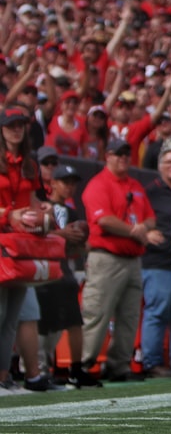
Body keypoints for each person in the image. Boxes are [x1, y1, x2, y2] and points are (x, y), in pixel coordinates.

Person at [80, 138, 163, 382]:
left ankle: (119, 365)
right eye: (118, 154)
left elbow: (150, 218)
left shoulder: (135, 185)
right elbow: (103, 220)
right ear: (107, 156)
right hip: (106, 258)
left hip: (133, 259)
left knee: (129, 316)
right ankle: (84, 365)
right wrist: (135, 231)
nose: (123, 158)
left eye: (127, 154)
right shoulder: (98, 184)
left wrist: (140, 229)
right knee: (97, 313)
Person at [34, 163, 100, 388]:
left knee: (73, 322)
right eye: (65, 182)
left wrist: (81, 245)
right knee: (43, 325)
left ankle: (75, 368)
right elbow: (34, 235)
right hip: (43, 269)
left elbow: (75, 248)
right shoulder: (41, 207)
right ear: (52, 183)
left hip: (64, 269)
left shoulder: (71, 212)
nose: (70, 187)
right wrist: (62, 235)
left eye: (73, 184)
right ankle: (38, 370)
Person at [0, 108, 52, 394]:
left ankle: (4, 376)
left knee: (12, 316)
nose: (16, 130)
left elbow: (31, 200)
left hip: (19, 244)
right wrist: (9, 215)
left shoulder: (29, 164)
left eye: (20, 125)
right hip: (2, 239)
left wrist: (40, 209)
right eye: (10, 125)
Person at [140, 141, 171, 378]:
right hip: (159, 261)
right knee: (157, 312)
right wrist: (144, 233)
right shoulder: (150, 191)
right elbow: (138, 217)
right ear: (159, 166)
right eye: (167, 162)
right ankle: (152, 362)